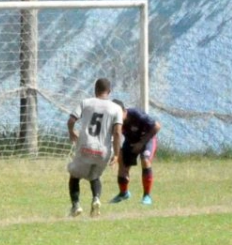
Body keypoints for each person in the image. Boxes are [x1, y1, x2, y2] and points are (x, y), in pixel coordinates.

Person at [66, 78, 123, 218]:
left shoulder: (86, 103)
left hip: (85, 147)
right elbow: (117, 133)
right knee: (95, 175)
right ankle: (96, 198)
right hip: (103, 150)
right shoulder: (116, 108)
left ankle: (76, 206)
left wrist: (71, 131)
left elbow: (71, 120)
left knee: (74, 176)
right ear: (109, 92)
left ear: (95, 90)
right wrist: (116, 154)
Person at [110, 100, 161, 205]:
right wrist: (116, 154)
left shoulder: (136, 114)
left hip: (147, 139)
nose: (116, 119)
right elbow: (115, 135)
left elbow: (156, 126)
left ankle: (147, 196)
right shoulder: (113, 121)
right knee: (122, 163)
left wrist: (141, 143)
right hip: (131, 140)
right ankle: (123, 193)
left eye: (118, 115)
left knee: (145, 160)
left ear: (124, 112)